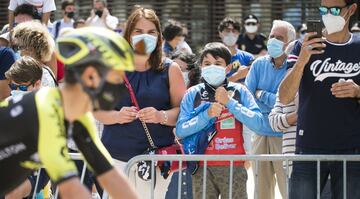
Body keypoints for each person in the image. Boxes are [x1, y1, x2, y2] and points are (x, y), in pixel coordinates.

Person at [0, 27, 140, 199]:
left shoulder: (80, 117)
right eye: (117, 78)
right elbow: (72, 191)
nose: (122, 87)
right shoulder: (46, 110)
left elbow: (110, 175)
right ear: (91, 76)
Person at [94, 7, 186, 199]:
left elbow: (181, 111)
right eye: (139, 31)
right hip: (116, 158)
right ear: (128, 36)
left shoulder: (171, 69)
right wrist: (118, 116)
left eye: (151, 32)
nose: (145, 36)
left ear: (159, 37)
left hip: (156, 162)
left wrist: (161, 116)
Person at [278, 0, 360, 198]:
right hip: (309, 148)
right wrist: (302, 61)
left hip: (352, 149)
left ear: (351, 9)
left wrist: (358, 91)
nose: (328, 15)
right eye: (324, 9)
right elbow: (285, 96)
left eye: (334, 10)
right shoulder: (302, 47)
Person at [176, 42, 265, 199]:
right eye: (207, 64)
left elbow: (258, 122)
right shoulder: (192, 93)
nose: (212, 67)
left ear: (228, 67)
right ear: (201, 67)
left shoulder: (240, 91)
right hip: (201, 165)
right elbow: (181, 130)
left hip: (234, 164)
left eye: (218, 63)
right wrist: (206, 115)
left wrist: (230, 103)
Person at [245, 19, 296, 199]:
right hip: (259, 133)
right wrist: (275, 100)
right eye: (272, 36)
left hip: (284, 135)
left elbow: (288, 101)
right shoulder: (259, 64)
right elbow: (248, 96)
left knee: (287, 189)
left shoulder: (295, 68)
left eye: (279, 37)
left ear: (289, 43)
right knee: (261, 191)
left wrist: (263, 95)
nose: (273, 40)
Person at [12, 21, 57, 88]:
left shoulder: (42, 75)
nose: (19, 52)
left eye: (20, 47)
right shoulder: (37, 70)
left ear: (31, 48)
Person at [218, 17, 254, 83]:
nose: (231, 34)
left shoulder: (248, 58)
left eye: (234, 31)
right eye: (227, 31)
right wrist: (237, 76)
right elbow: (214, 87)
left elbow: (254, 83)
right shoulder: (214, 59)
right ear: (220, 33)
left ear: (238, 34)